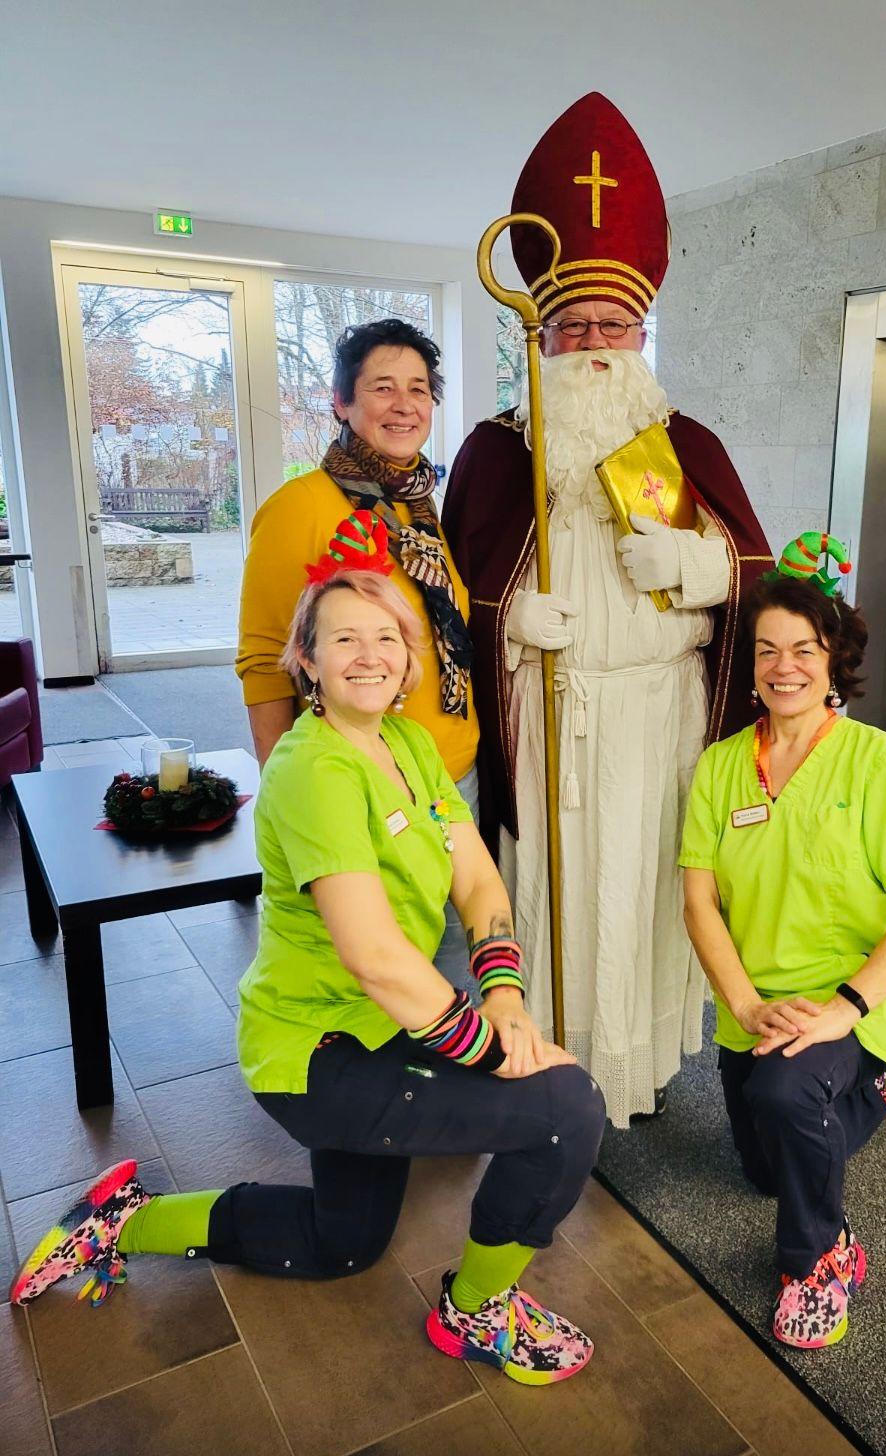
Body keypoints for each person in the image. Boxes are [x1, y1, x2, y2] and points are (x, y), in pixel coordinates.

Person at [11, 559, 604, 1387]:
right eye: (343, 638)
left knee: (342, 1245)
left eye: (387, 636)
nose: (369, 655)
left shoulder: (405, 743)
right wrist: (496, 1049)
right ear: (307, 659)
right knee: (564, 1111)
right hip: (320, 1054)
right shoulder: (312, 770)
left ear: (410, 655)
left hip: (391, 1024)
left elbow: (475, 878)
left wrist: (503, 991)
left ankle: (122, 1221)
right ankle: (474, 1310)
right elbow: (374, 957)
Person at [442, 92, 773, 1128]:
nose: (595, 342)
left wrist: (702, 565)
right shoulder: (496, 451)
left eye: (615, 326)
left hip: (665, 716)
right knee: (561, 893)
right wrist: (505, 622)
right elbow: (445, 599)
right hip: (552, 720)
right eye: (573, 325)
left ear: (641, 334)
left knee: (649, 891)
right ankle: (551, 1059)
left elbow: (759, 569)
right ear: (540, 335)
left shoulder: (687, 444)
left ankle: (642, 1066)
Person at [679, 534, 886, 1349]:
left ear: (834, 659)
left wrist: (843, 1009)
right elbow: (699, 903)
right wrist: (744, 1006)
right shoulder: (721, 766)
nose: (783, 666)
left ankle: (818, 1256)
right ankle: (873, 1090)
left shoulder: (878, 761)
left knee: (785, 1099)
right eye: (767, 650)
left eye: (803, 648)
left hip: (854, 995)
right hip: (759, 1005)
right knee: (765, 1170)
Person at [237, 316, 479, 986]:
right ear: (342, 403)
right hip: (356, 781)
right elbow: (263, 660)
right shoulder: (300, 507)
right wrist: (288, 791)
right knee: (376, 972)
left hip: (448, 773)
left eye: (419, 388)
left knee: (451, 962)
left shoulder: (419, 508)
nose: (404, 404)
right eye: (382, 387)